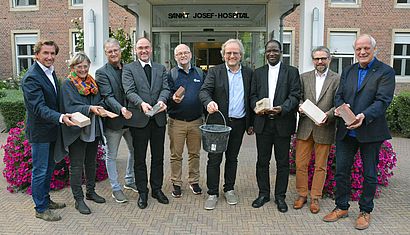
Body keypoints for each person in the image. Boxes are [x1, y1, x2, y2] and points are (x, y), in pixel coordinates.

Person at [323, 34, 395, 230]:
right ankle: (342, 207)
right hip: (347, 132)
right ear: (354, 51)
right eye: (358, 49)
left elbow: (383, 101)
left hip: (370, 131)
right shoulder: (348, 70)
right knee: (341, 172)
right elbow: (339, 96)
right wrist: (341, 106)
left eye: (366, 49)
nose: (362, 52)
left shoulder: (386, 72)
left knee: (369, 174)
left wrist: (363, 115)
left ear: (374, 49)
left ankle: (365, 211)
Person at [21, 40, 75, 221]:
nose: (50, 57)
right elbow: (39, 108)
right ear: (37, 54)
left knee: (49, 168)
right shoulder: (31, 77)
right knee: (40, 170)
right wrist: (61, 118)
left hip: (52, 130)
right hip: (40, 133)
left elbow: (53, 101)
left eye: (52, 53)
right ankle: (41, 208)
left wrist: (66, 113)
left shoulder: (50, 72)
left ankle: (46, 199)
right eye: (45, 53)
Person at [199, 39, 253, 210]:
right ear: (223, 55)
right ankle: (212, 193)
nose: (232, 56)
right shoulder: (215, 72)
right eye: (228, 53)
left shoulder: (249, 74)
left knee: (232, 158)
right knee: (214, 159)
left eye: (235, 53)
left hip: (238, 124)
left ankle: (229, 189)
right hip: (218, 125)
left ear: (241, 55)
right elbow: (204, 91)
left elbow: (252, 97)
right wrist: (208, 102)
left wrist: (251, 123)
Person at [250, 39, 301, 212]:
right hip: (263, 124)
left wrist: (282, 109)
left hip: (283, 123)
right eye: (269, 51)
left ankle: (280, 196)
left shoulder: (292, 72)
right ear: (265, 53)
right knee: (262, 162)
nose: (272, 53)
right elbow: (252, 96)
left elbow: (295, 95)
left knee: (282, 163)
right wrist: (257, 108)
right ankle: (263, 194)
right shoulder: (258, 73)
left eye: (275, 50)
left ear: (281, 52)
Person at [122, 37, 170, 209]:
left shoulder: (160, 68)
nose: (144, 51)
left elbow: (166, 88)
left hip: (158, 119)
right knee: (140, 158)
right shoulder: (129, 69)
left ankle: (156, 189)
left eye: (146, 47)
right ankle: (143, 191)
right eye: (140, 48)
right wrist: (141, 103)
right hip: (139, 120)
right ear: (136, 50)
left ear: (151, 49)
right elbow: (129, 91)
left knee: (158, 157)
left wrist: (163, 100)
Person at [293, 46, 340, 214]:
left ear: (329, 59)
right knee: (301, 164)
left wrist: (328, 115)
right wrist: (299, 106)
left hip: (325, 127)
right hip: (305, 127)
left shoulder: (337, 79)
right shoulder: (303, 77)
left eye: (323, 58)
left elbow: (339, 103)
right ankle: (302, 194)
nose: (320, 61)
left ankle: (315, 197)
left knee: (321, 166)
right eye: (316, 58)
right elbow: (297, 97)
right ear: (312, 60)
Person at [60, 52, 107, 214]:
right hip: (76, 130)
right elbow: (70, 106)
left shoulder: (92, 82)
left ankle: (91, 192)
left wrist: (100, 107)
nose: (83, 69)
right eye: (79, 66)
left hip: (92, 128)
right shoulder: (68, 84)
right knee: (76, 166)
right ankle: (78, 199)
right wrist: (89, 108)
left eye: (85, 66)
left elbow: (98, 100)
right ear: (73, 67)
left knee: (91, 162)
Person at [95, 38, 136, 203]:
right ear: (106, 53)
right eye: (109, 51)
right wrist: (121, 109)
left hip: (132, 120)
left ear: (120, 51)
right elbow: (107, 96)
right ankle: (115, 188)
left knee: (135, 151)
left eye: (115, 50)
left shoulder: (130, 68)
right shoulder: (101, 72)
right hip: (114, 122)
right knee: (111, 155)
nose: (113, 53)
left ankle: (129, 179)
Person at [167, 44, 205, 198]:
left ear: (191, 55)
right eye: (179, 54)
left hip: (196, 121)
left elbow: (205, 92)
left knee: (194, 153)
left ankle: (194, 181)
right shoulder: (172, 74)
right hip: (177, 122)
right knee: (176, 154)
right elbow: (166, 94)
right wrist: (172, 98)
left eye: (185, 53)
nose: (183, 56)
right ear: (175, 57)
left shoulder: (200, 73)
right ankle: (176, 183)